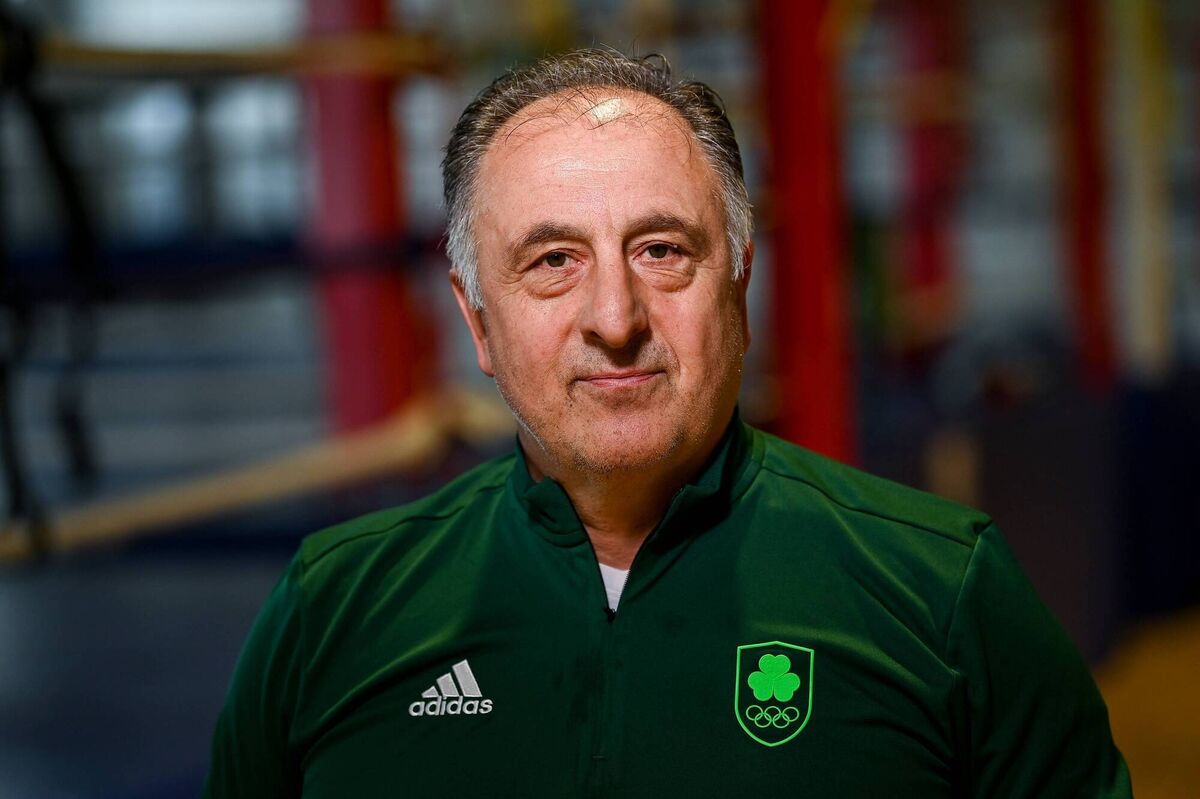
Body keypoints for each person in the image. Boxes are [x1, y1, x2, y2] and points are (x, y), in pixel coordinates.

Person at [204, 49, 1130, 797]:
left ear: (740, 284)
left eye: (661, 249)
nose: (616, 316)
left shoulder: (942, 591)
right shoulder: (334, 612)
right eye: (554, 260)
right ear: (478, 320)